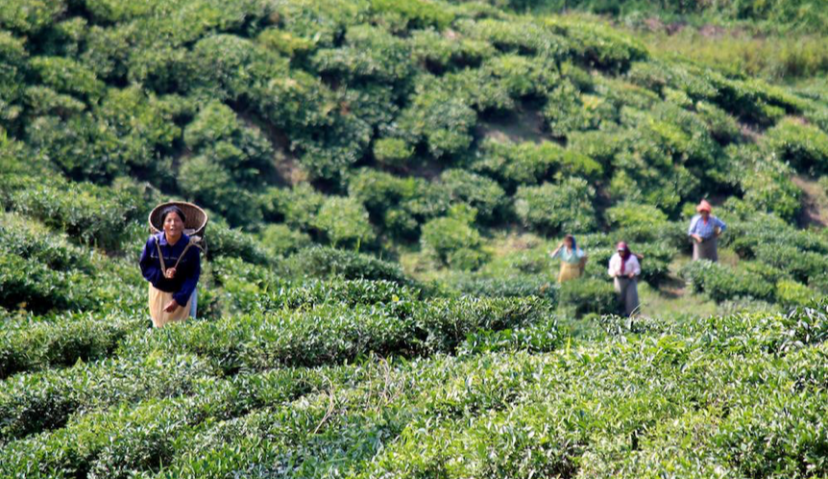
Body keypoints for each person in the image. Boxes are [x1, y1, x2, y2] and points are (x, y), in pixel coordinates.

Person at [140, 206, 201, 327]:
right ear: (163, 226)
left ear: (183, 225)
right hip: (159, 293)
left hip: (184, 294)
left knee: (185, 328)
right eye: (169, 220)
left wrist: (178, 300)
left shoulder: (191, 247)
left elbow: (193, 276)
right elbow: (145, 266)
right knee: (159, 328)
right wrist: (161, 275)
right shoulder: (153, 243)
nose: (173, 224)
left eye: (177, 220)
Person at [608, 241, 641, 317]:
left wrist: (633, 273)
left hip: (630, 280)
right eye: (619, 251)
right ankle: (619, 313)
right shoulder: (615, 258)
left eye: (622, 251)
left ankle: (631, 314)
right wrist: (613, 273)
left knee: (631, 297)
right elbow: (611, 268)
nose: (620, 253)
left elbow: (637, 269)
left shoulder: (632, 258)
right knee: (619, 297)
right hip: (619, 279)